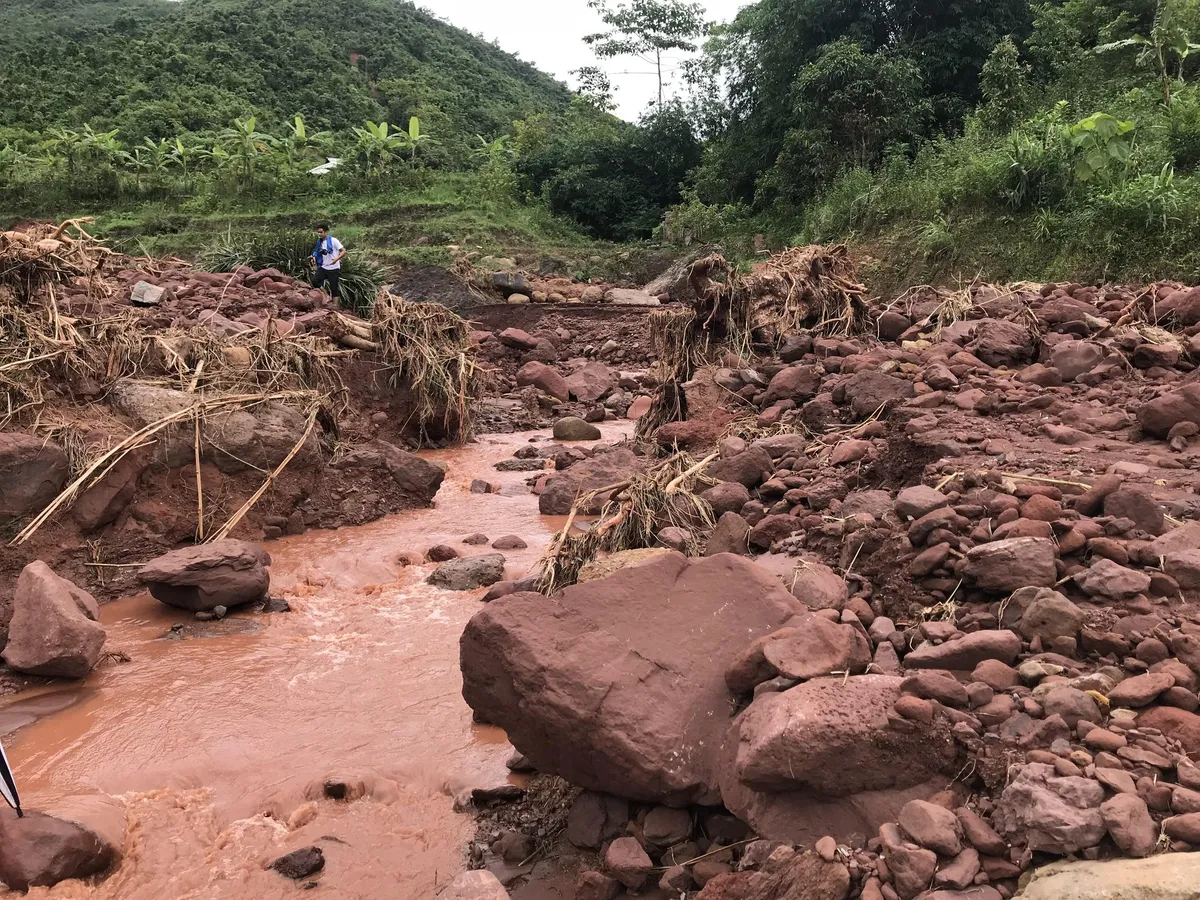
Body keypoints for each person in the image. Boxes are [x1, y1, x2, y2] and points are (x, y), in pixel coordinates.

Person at [310, 223, 346, 303]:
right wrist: (314, 257)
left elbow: (343, 250)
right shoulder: (319, 242)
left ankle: (335, 306)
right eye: (318, 232)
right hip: (324, 267)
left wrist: (336, 259)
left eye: (321, 232)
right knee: (315, 281)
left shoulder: (334, 240)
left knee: (334, 288)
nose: (319, 234)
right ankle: (325, 294)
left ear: (326, 232)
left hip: (334, 268)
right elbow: (317, 252)